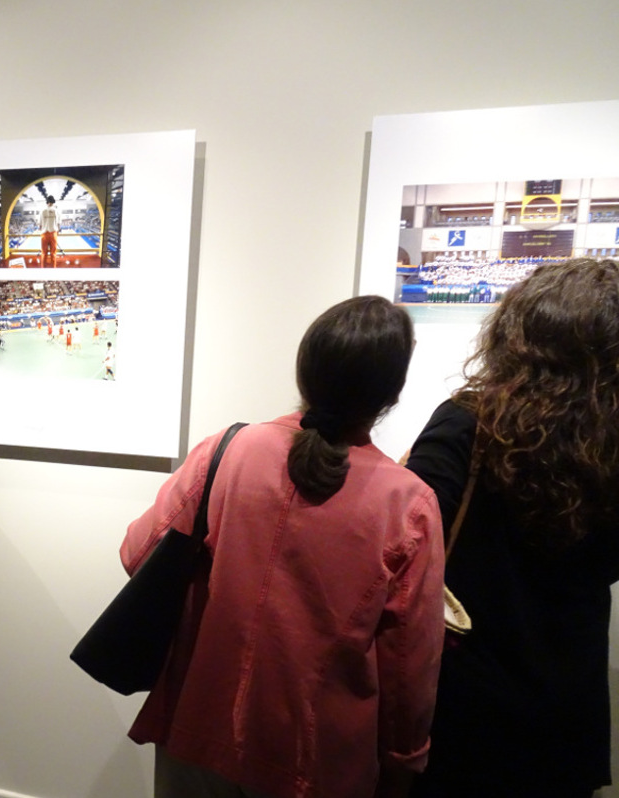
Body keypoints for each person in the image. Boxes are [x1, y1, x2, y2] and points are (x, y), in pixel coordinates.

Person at [121, 295, 443, 798]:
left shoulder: (227, 449)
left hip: (197, 727)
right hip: (315, 760)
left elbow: (136, 553)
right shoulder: (408, 503)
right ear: (391, 392)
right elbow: (409, 662)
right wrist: (405, 757)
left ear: (304, 369)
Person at [405, 258, 619, 798]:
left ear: (516, 334)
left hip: (460, 711)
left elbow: (405, 550)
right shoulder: (611, 448)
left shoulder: (466, 424)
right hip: (566, 723)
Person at [40, 196, 59, 268]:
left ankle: (43, 269)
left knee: (44, 253)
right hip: (53, 234)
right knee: (53, 253)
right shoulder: (56, 211)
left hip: (44, 234)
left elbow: (40, 225)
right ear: (53, 202)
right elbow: (58, 224)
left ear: (47, 202)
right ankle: (53, 269)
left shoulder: (42, 211)